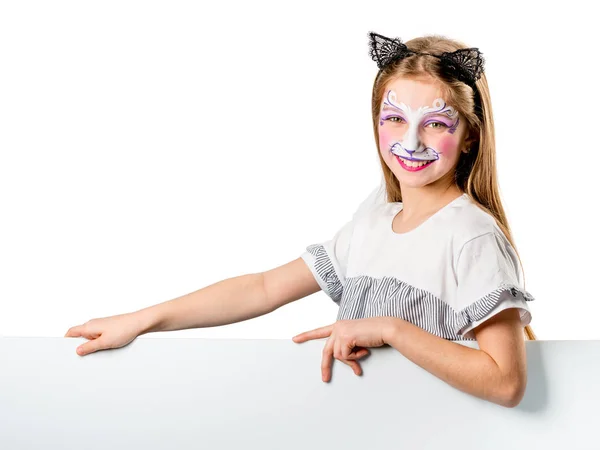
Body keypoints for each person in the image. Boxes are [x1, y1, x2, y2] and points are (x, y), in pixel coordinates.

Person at [65, 31, 535, 408]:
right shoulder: (373, 222)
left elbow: (505, 382)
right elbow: (264, 288)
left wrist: (390, 328)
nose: (410, 142)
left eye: (434, 123)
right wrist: (141, 320)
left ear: (470, 135)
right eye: (394, 118)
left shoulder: (470, 236)